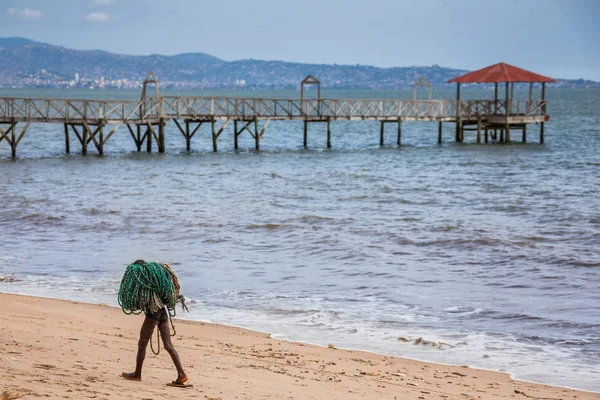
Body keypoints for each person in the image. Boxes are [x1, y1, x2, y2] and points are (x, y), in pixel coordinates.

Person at [118, 259, 190, 387]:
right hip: (163, 313)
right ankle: (181, 374)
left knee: (142, 343)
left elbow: (142, 301)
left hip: (153, 314)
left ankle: (137, 374)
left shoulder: (145, 285)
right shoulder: (156, 282)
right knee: (168, 345)